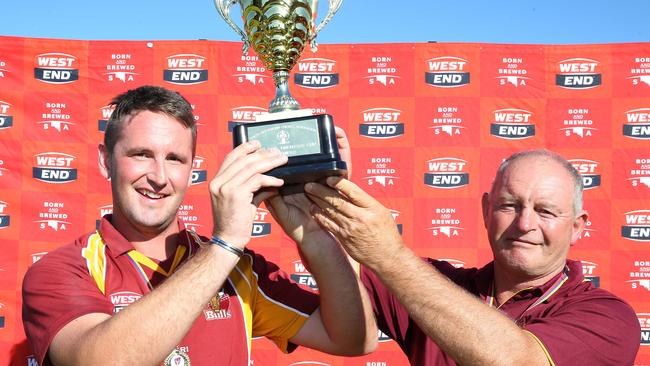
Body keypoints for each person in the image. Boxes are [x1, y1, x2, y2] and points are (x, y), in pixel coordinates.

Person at [21, 85, 377, 365]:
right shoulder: (63, 270)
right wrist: (224, 245)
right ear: (105, 161)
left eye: (175, 159)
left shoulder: (241, 270)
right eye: (141, 154)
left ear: (192, 169)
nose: (159, 177)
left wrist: (315, 233)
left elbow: (354, 339)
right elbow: (103, 361)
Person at [303, 149, 641, 365]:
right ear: (485, 210)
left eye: (546, 211)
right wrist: (317, 187)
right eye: (509, 205)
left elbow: (518, 362)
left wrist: (390, 256)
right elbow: (345, 260)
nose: (525, 224)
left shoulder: (608, 317)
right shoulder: (434, 284)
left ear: (578, 227)